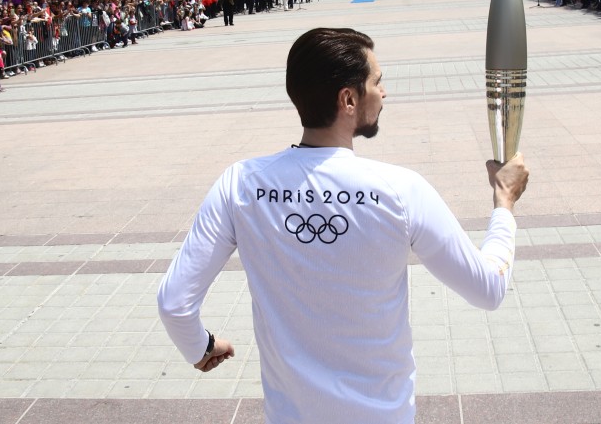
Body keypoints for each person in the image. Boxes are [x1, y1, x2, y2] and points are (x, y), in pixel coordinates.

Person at [157, 27, 529, 424]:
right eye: (377, 82)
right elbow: (488, 289)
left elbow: (174, 303)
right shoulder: (400, 190)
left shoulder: (240, 183)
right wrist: (504, 204)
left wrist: (201, 347)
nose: (383, 93)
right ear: (348, 99)